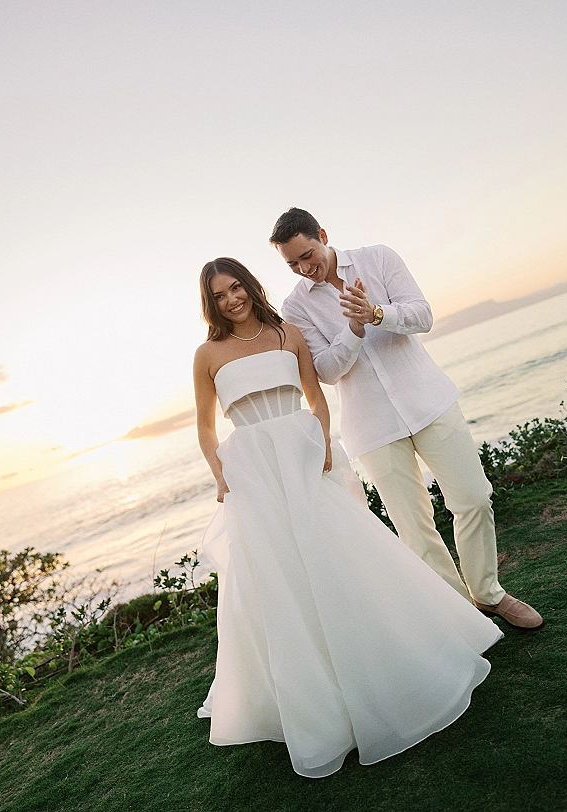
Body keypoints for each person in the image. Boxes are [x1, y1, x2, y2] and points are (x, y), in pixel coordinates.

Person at [193, 256, 502, 779]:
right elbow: (204, 427)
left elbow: (316, 397)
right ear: (212, 303)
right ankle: (312, 696)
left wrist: (323, 446)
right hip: (254, 471)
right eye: (219, 295)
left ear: (249, 286)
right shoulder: (206, 354)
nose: (231, 300)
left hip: (301, 453)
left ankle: (405, 647)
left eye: (236, 288)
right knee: (278, 575)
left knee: (342, 555)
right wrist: (222, 476)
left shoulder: (288, 332)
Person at [270, 207, 543, 629]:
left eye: (308, 255)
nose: (306, 268)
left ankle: (488, 594)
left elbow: (423, 315)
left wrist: (377, 313)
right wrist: (354, 330)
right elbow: (324, 371)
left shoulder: (378, 258)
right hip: (372, 427)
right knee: (415, 531)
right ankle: (463, 617)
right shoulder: (295, 307)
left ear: (322, 234)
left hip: (428, 401)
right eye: (293, 263)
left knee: (473, 498)